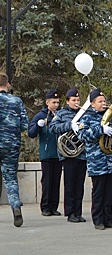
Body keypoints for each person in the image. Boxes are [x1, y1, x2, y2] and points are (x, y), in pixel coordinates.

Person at [78, 88, 112, 230]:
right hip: (98, 161)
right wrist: (100, 129)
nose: (103, 103)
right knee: (99, 192)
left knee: (110, 192)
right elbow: (83, 136)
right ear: (92, 104)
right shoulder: (86, 117)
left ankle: (109, 219)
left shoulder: (111, 116)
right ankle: (98, 219)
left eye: (104, 101)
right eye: (100, 101)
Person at [49, 88, 88, 223]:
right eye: (73, 100)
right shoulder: (61, 113)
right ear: (67, 101)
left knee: (79, 185)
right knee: (70, 185)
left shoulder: (84, 114)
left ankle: (78, 211)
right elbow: (53, 127)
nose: (76, 102)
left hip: (81, 153)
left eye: (78, 100)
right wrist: (69, 125)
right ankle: (71, 212)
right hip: (68, 154)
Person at [0, 72, 28, 227]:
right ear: (7, 84)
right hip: (11, 144)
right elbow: (24, 125)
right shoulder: (17, 101)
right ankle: (16, 207)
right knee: (10, 178)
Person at [28, 89, 62, 217]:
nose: (56, 105)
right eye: (54, 102)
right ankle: (45, 207)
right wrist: (37, 125)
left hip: (59, 153)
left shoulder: (59, 115)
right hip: (47, 154)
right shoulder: (40, 115)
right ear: (47, 102)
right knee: (47, 182)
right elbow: (31, 133)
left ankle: (54, 207)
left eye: (58, 102)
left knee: (56, 182)